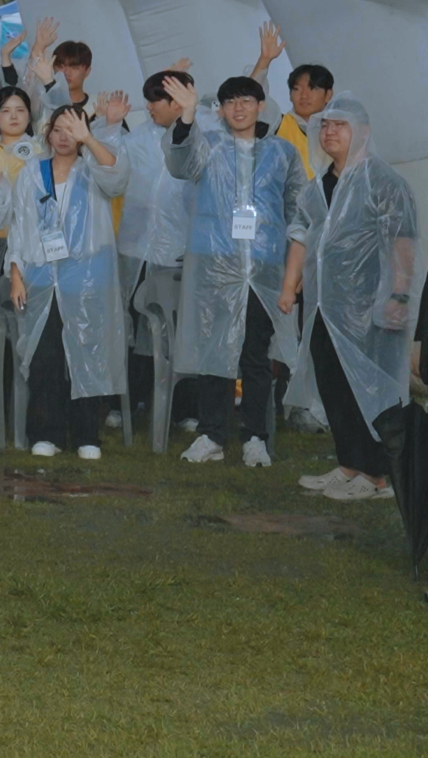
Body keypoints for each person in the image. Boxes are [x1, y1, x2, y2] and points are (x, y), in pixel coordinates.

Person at [164, 72, 303, 466]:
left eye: (247, 100)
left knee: (255, 357)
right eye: (230, 102)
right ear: (221, 110)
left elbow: (298, 212)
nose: (239, 108)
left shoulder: (283, 153)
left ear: (261, 106)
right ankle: (212, 435)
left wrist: (295, 268)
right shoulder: (207, 146)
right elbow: (179, 163)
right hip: (215, 269)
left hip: (263, 271)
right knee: (213, 354)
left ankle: (255, 436)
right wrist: (188, 117)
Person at [283, 99, 418, 500]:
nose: (330, 133)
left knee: (370, 389)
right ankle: (349, 464)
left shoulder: (383, 182)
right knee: (334, 386)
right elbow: (301, 236)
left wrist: (399, 294)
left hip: (369, 308)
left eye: (340, 126)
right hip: (326, 308)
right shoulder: (316, 187)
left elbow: (403, 241)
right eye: (324, 127)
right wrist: (290, 287)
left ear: (363, 131)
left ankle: (377, 476)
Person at [7, 101, 132, 458]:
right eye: (58, 130)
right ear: (47, 133)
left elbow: (118, 177)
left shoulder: (93, 167)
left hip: (89, 281)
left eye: (72, 130)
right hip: (42, 281)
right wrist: (16, 275)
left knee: (89, 354)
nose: (64, 137)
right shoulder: (32, 172)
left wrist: (89, 140)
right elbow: (19, 227)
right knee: (45, 357)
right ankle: (45, 432)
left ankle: (87, 434)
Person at [115, 67, 196, 429]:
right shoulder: (136, 139)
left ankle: (183, 409)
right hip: (138, 249)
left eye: (156, 102)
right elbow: (110, 167)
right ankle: (130, 404)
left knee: (178, 331)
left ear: (178, 102)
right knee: (135, 328)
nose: (149, 109)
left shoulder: (203, 136)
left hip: (180, 253)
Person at [275, 61, 336, 179]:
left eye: (312, 88)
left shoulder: (338, 131)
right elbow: (249, 104)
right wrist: (264, 61)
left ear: (328, 94)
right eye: (297, 89)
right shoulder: (278, 124)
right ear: (290, 94)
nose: (304, 96)